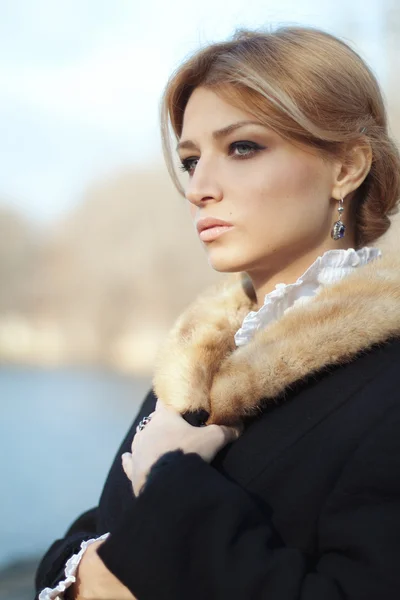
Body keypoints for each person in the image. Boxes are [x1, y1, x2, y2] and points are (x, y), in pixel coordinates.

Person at [35, 25, 400, 600]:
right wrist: (84, 577)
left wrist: (169, 482)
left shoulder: (387, 380)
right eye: (189, 160)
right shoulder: (194, 363)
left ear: (347, 167)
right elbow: (78, 543)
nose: (199, 187)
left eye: (242, 147)